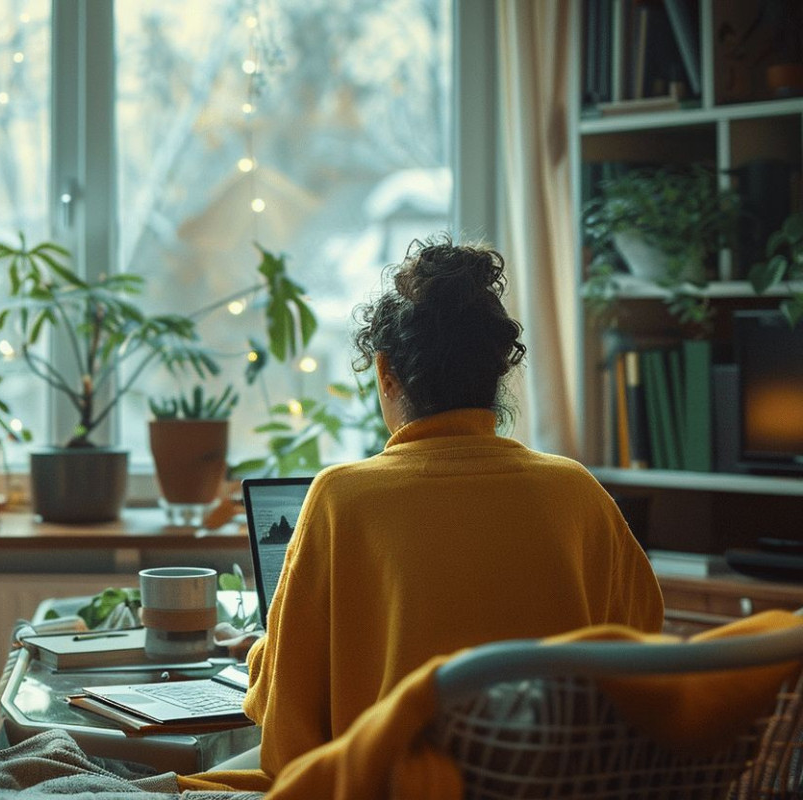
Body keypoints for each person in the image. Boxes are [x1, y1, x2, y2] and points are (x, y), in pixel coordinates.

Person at [241, 237, 663, 778]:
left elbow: (288, 742)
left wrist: (261, 657)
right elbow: (642, 663)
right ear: (496, 371)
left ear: (385, 373)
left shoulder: (342, 499)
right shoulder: (577, 492)